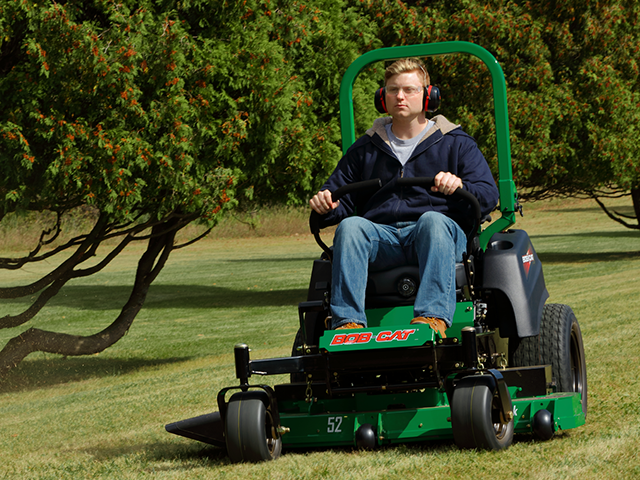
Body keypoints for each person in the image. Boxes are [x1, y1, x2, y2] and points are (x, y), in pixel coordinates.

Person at [309, 58, 499, 336]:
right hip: (382, 239)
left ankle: (432, 317)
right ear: (382, 97)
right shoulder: (364, 149)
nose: (400, 96)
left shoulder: (456, 143)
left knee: (432, 221)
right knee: (350, 227)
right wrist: (325, 204)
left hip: (437, 235)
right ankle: (347, 324)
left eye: (409, 89)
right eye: (392, 90)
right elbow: (339, 199)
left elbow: (487, 194)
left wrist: (459, 185)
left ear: (428, 95)